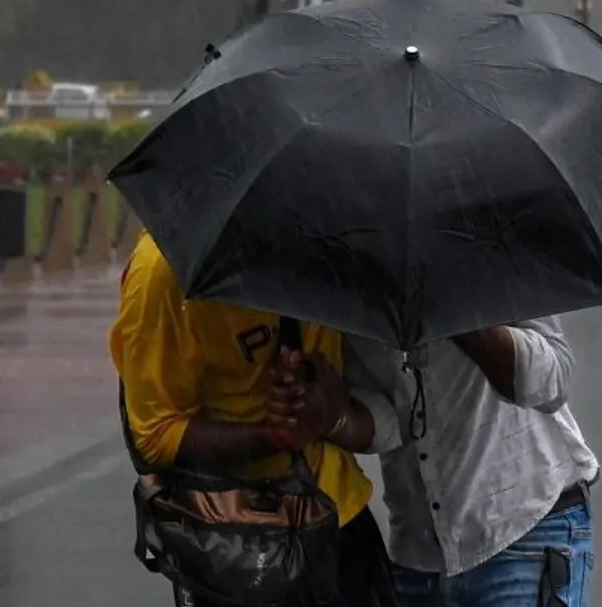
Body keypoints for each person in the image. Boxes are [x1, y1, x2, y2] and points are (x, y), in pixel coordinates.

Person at [110, 233, 394, 607]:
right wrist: (273, 436)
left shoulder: (330, 237)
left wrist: (330, 405)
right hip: (239, 546)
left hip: (340, 521)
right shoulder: (166, 268)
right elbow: (154, 434)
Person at [332, 320, 600, 607]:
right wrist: (335, 419)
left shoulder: (483, 273)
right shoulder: (354, 287)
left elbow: (553, 381)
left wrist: (459, 320)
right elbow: (392, 418)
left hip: (522, 529)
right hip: (419, 559)